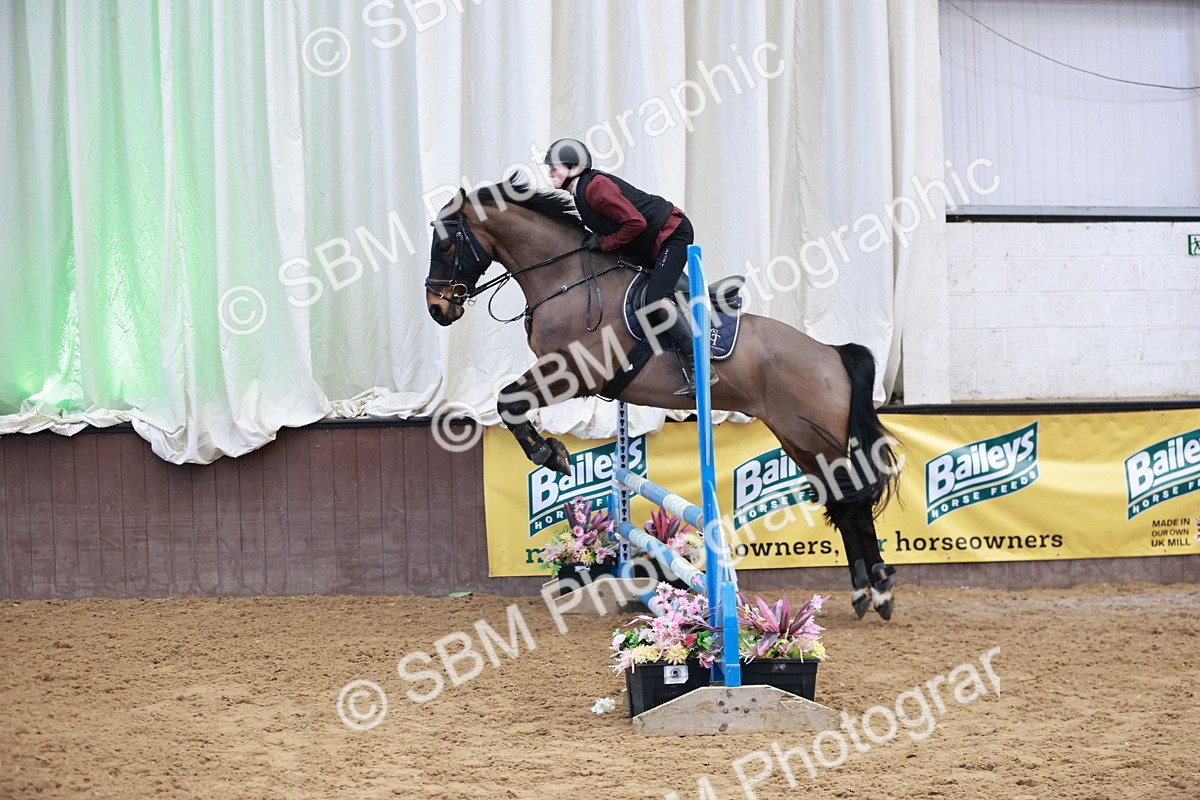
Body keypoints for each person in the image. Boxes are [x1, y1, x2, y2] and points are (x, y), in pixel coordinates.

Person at [542, 137, 715, 396]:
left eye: (555, 166)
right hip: (650, 241)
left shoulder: (595, 187)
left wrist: (602, 243)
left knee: (655, 300)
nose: (550, 171)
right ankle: (702, 300)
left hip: (672, 234)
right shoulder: (580, 193)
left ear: (574, 167)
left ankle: (700, 366)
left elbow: (635, 223)